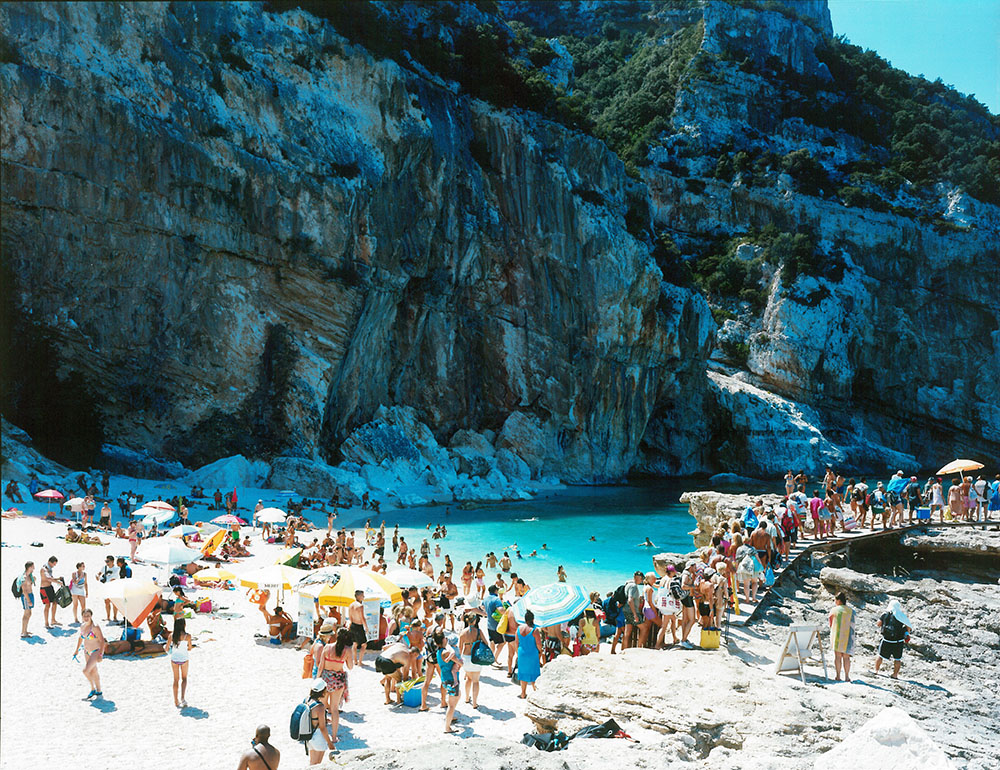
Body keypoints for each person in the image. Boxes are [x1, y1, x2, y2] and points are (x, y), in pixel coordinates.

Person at [316, 628, 352, 742]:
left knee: (322, 706)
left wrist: (317, 680)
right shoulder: (347, 650)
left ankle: (321, 732)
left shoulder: (327, 647)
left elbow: (321, 666)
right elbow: (350, 667)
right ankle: (334, 737)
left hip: (326, 678)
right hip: (338, 679)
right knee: (334, 709)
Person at [73, 608, 107, 699]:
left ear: (91, 616)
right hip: (86, 651)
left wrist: (101, 655)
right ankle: (99, 690)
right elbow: (80, 638)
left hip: (95, 651)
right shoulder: (82, 626)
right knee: (93, 670)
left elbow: (102, 641)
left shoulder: (95, 627)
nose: (86, 617)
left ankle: (93, 688)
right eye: (84, 616)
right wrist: (76, 650)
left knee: (85, 670)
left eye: (88, 616)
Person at [874, 599, 911, 680]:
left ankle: (876, 670)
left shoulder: (885, 614)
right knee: (897, 659)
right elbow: (908, 626)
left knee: (880, 656)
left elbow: (878, 624)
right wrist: (907, 633)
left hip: (886, 640)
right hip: (898, 641)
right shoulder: (901, 615)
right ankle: (895, 675)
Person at [434, 628, 462, 733]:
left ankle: (449, 721)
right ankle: (447, 727)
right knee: (451, 706)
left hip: (445, 679)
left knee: (457, 696)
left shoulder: (439, 651)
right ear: (443, 640)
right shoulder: (446, 652)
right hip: (451, 680)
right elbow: (460, 663)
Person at [304, 679, 337, 764]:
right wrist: (330, 743)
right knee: (317, 765)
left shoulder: (307, 700)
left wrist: (324, 719)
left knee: (312, 764)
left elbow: (311, 716)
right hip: (318, 737)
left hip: (309, 735)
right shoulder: (320, 707)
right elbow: (322, 728)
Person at [828, 592, 855, 682]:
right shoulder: (851, 611)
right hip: (848, 636)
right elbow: (853, 624)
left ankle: (838, 676)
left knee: (838, 657)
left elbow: (831, 623)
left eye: (835, 600)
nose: (835, 602)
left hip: (837, 635)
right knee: (846, 657)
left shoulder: (834, 610)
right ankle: (847, 677)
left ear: (839, 600)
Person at [516, 609, 541, 699]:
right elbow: (538, 644)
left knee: (523, 673)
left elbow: (517, 643)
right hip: (532, 653)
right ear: (533, 619)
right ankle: (536, 692)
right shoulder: (535, 630)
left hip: (522, 653)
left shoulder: (519, 628)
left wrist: (517, 654)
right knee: (534, 674)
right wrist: (540, 651)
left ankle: (523, 693)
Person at [168, 617, 193, 707]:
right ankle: (182, 698)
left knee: (175, 680)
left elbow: (167, 648)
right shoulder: (188, 636)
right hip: (184, 659)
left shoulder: (171, 635)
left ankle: (176, 700)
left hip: (174, 659)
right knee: (184, 678)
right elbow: (189, 648)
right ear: (184, 625)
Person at [39, 555, 64, 629]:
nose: (54, 566)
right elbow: (48, 578)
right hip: (44, 589)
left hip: (50, 588)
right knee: (47, 605)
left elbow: (51, 578)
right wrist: (58, 582)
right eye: (54, 564)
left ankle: (53, 620)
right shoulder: (44, 569)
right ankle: (46, 623)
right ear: (50, 562)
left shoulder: (49, 569)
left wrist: (58, 579)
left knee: (55, 602)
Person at [622, 571, 643, 650]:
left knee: (627, 632)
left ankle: (624, 650)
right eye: (641, 579)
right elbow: (630, 600)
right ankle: (639, 647)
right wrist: (635, 614)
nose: (641, 581)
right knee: (644, 628)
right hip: (631, 611)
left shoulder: (628, 585)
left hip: (626, 610)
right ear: (638, 578)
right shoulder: (633, 586)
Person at [348, 590, 368, 665]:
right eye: (363, 596)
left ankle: (355, 661)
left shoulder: (351, 605)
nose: (364, 597)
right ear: (359, 596)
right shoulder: (360, 606)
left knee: (355, 643)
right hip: (359, 626)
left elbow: (350, 617)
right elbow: (362, 617)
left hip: (353, 625)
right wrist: (366, 627)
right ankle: (360, 662)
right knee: (364, 644)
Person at [16, 562, 35, 638]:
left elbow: (30, 584)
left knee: (29, 613)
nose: (34, 568)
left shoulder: (29, 576)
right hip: (26, 597)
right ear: (29, 567)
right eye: (33, 567)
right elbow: (24, 591)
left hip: (30, 595)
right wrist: (29, 600)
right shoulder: (24, 577)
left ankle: (25, 630)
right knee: (26, 614)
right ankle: (23, 633)